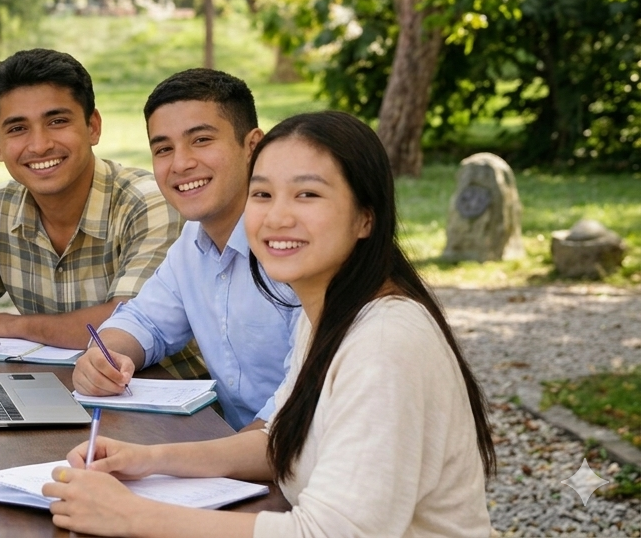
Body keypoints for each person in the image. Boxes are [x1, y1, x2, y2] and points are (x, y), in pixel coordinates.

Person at [44, 111, 495, 538]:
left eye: (308, 194)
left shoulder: (384, 344)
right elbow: (279, 442)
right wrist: (145, 459)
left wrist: (132, 516)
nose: (277, 217)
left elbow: (330, 533)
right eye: (262, 195)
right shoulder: (328, 312)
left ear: (366, 217)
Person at [0, 49, 198, 368]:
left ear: (93, 126)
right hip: (62, 392)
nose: (39, 145)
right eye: (17, 129)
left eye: (57, 121)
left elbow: (128, 320)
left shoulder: (146, 202)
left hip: (167, 397)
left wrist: (9, 325)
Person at [72, 69, 299, 430]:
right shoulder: (193, 243)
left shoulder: (295, 247)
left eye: (201, 140)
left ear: (253, 146)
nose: (180, 164)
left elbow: (298, 407)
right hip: (240, 453)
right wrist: (104, 356)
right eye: (163, 149)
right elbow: (145, 321)